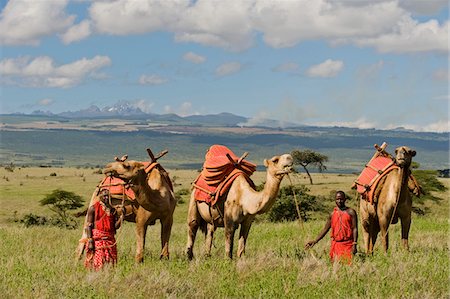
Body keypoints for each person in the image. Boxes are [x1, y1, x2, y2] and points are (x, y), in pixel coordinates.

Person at [305, 191, 358, 263]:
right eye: (337, 199)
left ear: (345, 199)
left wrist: (354, 244)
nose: (339, 201)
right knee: (335, 266)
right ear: (335, 200)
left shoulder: (351, 212)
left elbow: (355, 229)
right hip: (336, 245)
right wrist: (315, 241)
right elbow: (325, 230)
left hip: (348, 244)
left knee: (348, 266)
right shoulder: (332, 214)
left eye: (341, 199)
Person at [84, 189, 124, 270]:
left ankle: (107, 277)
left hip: (110, 240)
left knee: (110, 263)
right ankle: (97, 278)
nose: (106, 198)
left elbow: (115, 227)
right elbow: (88, 226)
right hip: (97, 240)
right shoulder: (93, 208)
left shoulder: (112, 210)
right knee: (98, 263)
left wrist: (121, 217)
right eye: (104, 196)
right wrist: (90, 240)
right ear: (100, 196)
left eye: (108, 196)